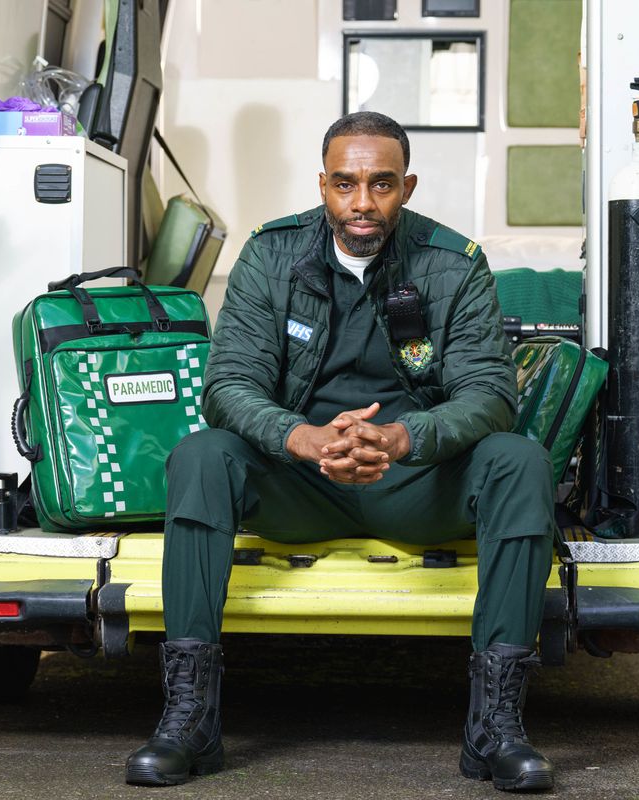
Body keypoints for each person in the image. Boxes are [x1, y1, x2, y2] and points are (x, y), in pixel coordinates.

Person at [125, 111, 558, 793]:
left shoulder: (454, 263)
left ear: (407, 186)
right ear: (322, 184)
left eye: (381, 185)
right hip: (303, 479)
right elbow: (229, 384)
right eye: (346, 184)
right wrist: (305, 439)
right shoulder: (271, 254)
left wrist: (402, 438)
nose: (363, 203)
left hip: (414, 481)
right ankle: (188, 720)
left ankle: (495, 729)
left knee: (519, 460)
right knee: (202, 455)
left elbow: (489, 394)